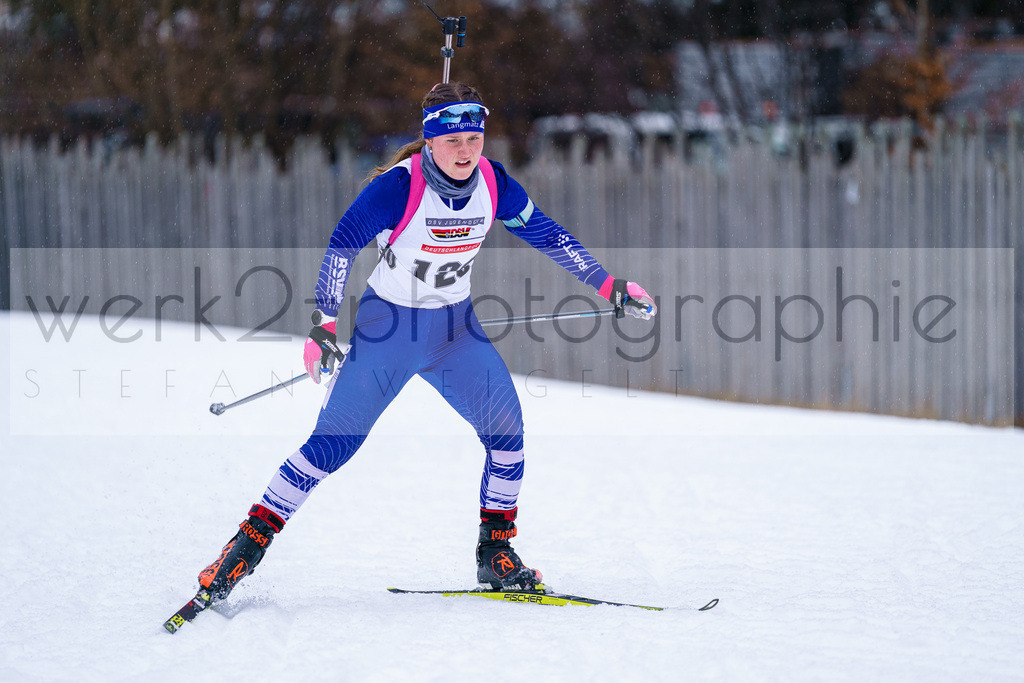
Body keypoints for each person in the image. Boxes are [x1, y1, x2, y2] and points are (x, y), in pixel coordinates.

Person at [196, 82, 657, 601]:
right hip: (388, 330)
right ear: (430, 141)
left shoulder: (493, 183)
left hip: (454, 330)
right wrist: (323, 323)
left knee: (507, 431)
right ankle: (242, 551)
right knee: (332, 446)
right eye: (453, 141)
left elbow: (548, 234)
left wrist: (608, 283)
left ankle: (496, 554)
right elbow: (342, 243)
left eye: (474, 139)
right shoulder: (398, 187)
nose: (466, 152)